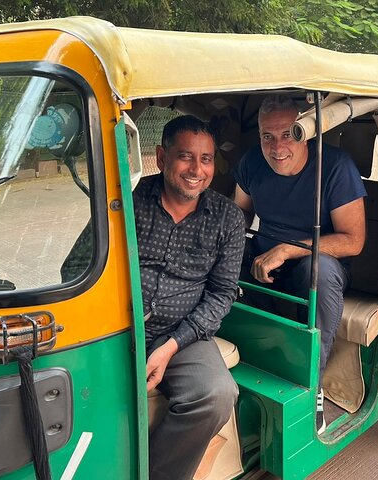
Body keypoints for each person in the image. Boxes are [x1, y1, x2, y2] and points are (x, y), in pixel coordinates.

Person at [232, 94, 366, 433]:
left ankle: (312, 385)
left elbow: (353, 241)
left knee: (314, 272)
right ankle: (238, 360)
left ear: (305, 131)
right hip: (266, 259)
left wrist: (289, 250)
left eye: (288, 134)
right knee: (227, 260)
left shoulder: (335, 166)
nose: (278, 147)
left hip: (320, 263)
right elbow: (238, 218)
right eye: (267, 136)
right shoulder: (251, 163)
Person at [135, 115, 245, 480]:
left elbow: (222, 293)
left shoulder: (227, 218)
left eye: (207, 159)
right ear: (161, 156)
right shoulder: (128, 200)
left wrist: (169, 347)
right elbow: (79, 262)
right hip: (119, 327)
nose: (197, 169)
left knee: (216, 394)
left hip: (184, 333)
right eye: (186, 157)